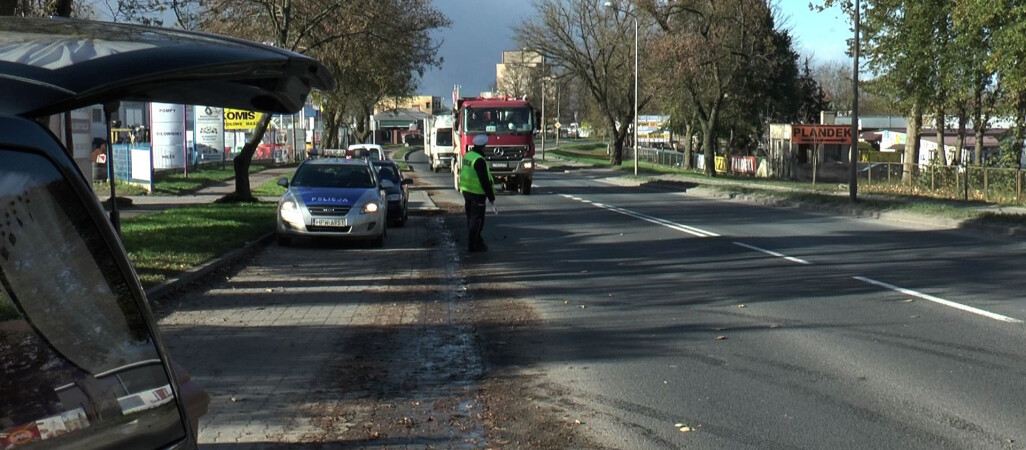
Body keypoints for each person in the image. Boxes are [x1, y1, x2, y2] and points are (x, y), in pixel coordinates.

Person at [458, 133, 495, 252]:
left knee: (471, 218)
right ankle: (473, 244)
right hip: (477, 194)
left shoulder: (468, 155)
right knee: (477, 220)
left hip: (466, 191)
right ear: (483, 146)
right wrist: (491, 197)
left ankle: (477, 241)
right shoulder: (479, 160)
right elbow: (484, 180)